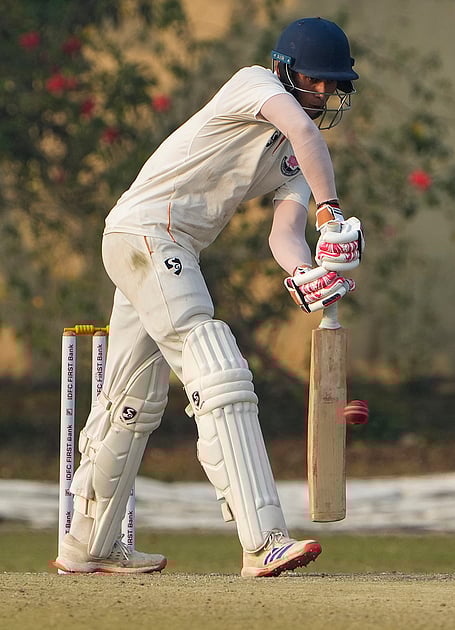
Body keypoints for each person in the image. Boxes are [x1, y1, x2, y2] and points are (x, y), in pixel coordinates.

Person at [54, 16, 363, 578]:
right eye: (315, 80)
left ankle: (88, 545)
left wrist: (311, 275)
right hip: (149, 231)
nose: (323, 92)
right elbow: (305, 133)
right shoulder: (256, 86)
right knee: (215, 364)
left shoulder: (291, 159)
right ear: (286, 70)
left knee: (133, 395)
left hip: (159, 245)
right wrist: (332, 211)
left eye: (332, 84)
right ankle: (263, 540)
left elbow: (284, 236)